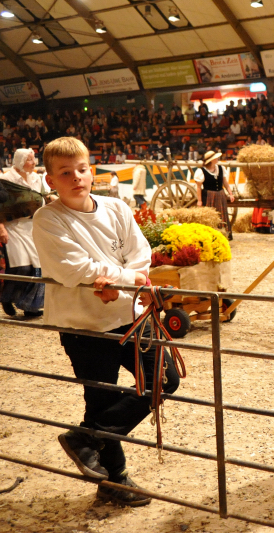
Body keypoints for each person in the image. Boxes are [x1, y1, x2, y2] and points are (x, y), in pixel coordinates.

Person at [32, 137, 180, 507]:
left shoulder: (115, 207)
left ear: (92, 171)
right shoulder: (48, 219)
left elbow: (140, 254)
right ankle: (115, 480)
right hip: (84, 326)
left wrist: (121, 282)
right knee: (101, 398)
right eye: (65, 173)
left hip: (130, 317)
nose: (76, 178)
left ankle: (86, 437)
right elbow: (73, 268)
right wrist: (126, 279)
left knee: (164, 379)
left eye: (82, 169)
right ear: (51, 180)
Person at [0, 149, 47, 318]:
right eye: (30, 160)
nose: (34, 163)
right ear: (20, 161)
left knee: (37, 267)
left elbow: (43, 197)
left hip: (33, 226)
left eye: (34, 159)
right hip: (13, 226)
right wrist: (1, 227)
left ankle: (30, 307)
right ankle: (6, 298)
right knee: (21, 267)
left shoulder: (36, 178)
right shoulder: (6, 180)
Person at [194, 151, 235, 240]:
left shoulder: (221, 168)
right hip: (209, 196)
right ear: (211, 160)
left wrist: (230, 194)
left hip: (220, 195)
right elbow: (198, 187)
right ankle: (210, 235)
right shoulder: (201, 171)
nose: (217, 159)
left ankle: (223, 234)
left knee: (222, 214)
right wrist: (199, 200)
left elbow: (225, 182)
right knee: (210, 216)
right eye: (216, 158)